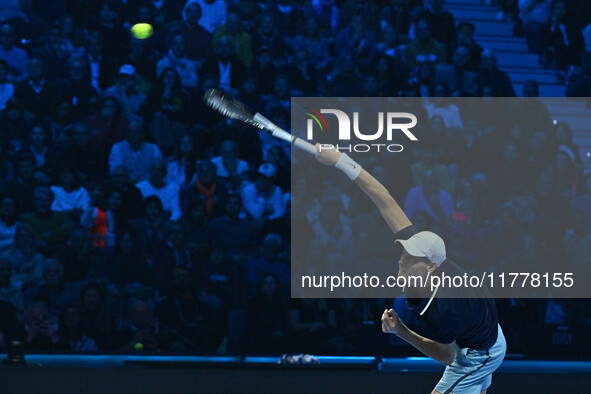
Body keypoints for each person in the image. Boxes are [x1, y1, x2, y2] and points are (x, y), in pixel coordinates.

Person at [314, 145, 506, 394]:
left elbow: (448, 358)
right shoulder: (432, 260)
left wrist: (401, 332)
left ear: (431, 266)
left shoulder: (444, 308)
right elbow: (384, 199)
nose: (401, 262)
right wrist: (341, 159)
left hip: (478, 354)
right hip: (474, 330)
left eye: (410, 259)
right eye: (403, 253)